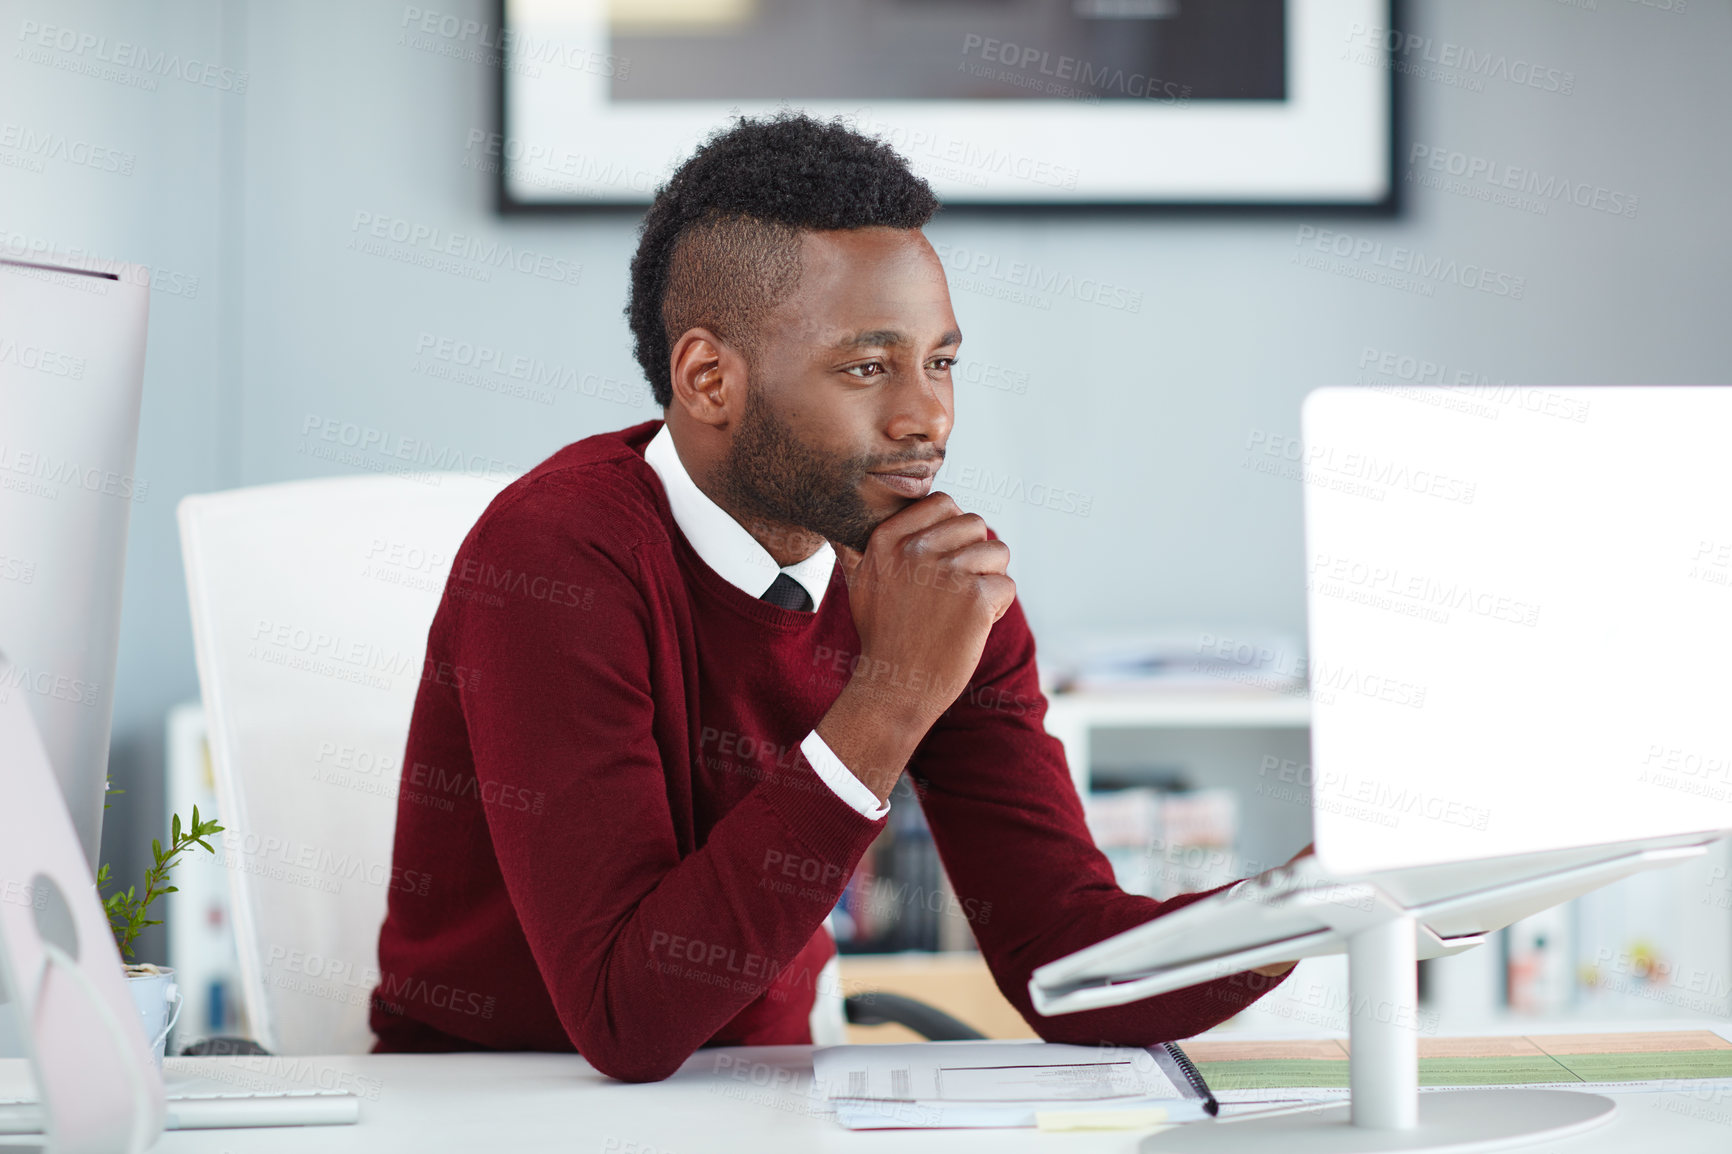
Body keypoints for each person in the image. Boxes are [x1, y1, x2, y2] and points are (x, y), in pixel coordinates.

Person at [372, 112, 1296, 1081]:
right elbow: (624, 1015)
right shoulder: (556, 555)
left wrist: (1320, 902)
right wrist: (893, 694)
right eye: (867, 366)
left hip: (770, 1099)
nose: (926, 416)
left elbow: (1067, 955)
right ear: (707, 377)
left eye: (940, 361)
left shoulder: (933, 580)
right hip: (491, 1103)